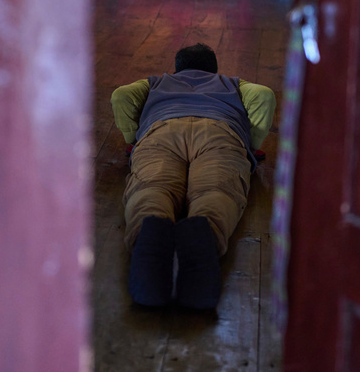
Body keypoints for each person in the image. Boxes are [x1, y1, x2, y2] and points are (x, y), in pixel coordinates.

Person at [111, 43, 276, 309]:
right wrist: (252, 147)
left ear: (177, 68)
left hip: (161, 130)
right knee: (217, 191)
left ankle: (148, 230)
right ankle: (206, 232)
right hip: (219, 130)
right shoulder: (231, 83)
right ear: (214, 68)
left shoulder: (157, 82)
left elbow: (121, 96)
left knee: (152, 188)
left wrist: (132, 139)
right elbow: (264, 96)